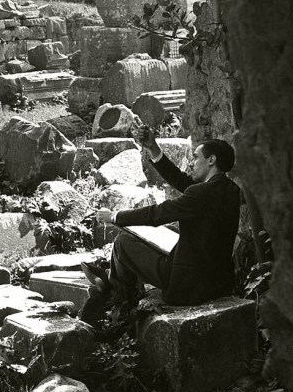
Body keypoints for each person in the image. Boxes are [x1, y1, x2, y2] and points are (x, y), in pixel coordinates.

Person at [80, 127, 242, 324]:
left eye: (195, 157)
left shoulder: (201, 194)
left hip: (188, 286)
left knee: (123, 242)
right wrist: (154, 149)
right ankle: (109, 279)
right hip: (217, 282)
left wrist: (115, 216)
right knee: (164, 236)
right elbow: (184, 182)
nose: (191, 163)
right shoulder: (231, 190)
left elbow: (156, 214)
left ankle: (116, 298)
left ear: (211, 160)